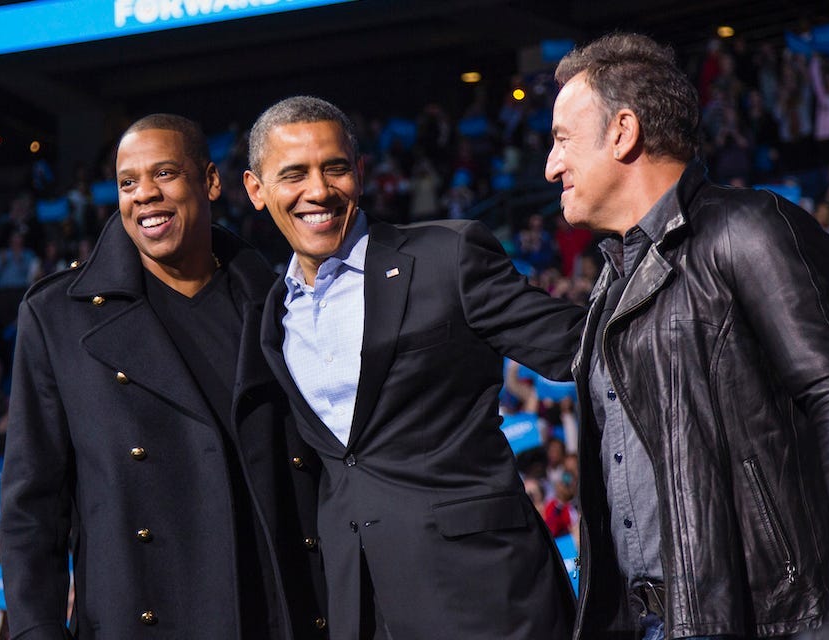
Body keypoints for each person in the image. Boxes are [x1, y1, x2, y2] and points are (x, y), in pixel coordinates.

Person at [546, 34, 829, 639]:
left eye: (560, 140)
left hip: (771, 620)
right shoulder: (610, 284)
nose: (551, 166)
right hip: (650, 622)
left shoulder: (750, 228)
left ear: (623, 132)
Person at [242, 96, 583, 639]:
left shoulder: (447, 256)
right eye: (292, 174)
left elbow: (580, 347)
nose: (318, 191)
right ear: (256, 190)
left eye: (333, 167)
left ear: (359, 171)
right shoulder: (269, 317)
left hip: (486, 592)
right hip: (359, 605)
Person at [0, 113, 324, 639]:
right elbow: (32, 507)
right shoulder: (57, 317)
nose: (144, 194)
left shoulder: (283, 303)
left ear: (211, 182)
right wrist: (37, 631)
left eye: (166, 174)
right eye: (128, 182)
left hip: (278, 613)